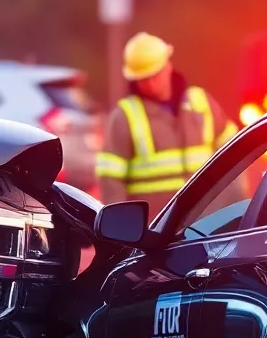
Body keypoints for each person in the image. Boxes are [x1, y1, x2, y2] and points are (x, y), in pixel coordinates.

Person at [96, 32, 238, 216]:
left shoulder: (201, 102)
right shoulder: (124, 116)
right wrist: (118, 227)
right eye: (143, 79)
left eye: (154, 75)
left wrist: (236, 204)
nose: (150, 84)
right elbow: (111, 180)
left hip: (208, 223)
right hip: (155, 230)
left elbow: (235, 154)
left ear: (167, 66)